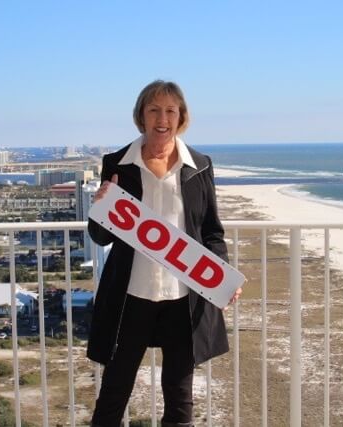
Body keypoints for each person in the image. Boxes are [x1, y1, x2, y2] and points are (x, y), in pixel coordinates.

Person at [87, 80, 241, 426]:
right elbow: (100, 236)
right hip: (131, 295)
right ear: (141, 115)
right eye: (154, 109)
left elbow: (211, 231)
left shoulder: (199, 165)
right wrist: (99, 206)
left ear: (181, 117)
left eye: (171, 110)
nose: (162, 118)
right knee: (114, 391)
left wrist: (223, 276)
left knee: (179, 396)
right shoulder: (117, 163)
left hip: (182, 298)